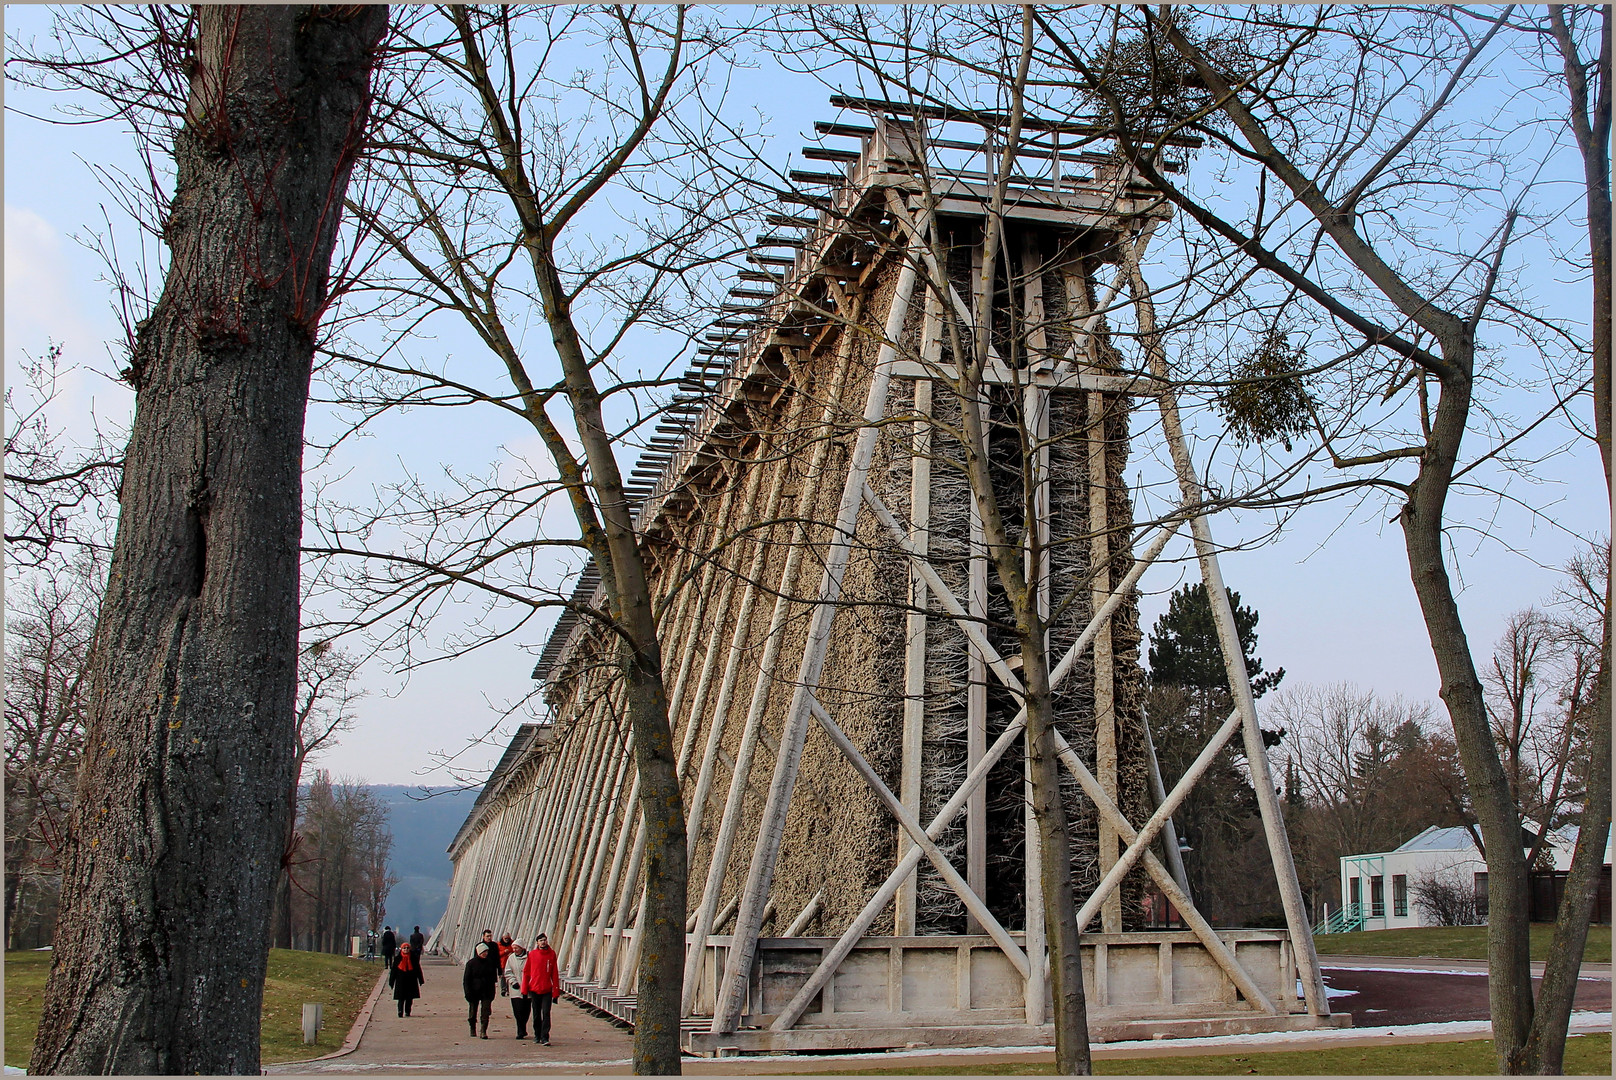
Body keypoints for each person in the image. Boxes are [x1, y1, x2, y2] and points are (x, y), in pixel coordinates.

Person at [521, 932, 561, 1046]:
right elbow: (526, 972)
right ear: (537, 943)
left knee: (546, 1013)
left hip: (547, 989)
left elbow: (554, 973)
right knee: (536, 1014)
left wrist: (555, 992)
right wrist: (524, 989)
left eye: (544, 940)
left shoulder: (551, 954)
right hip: (534, 988)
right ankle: (537, 1035)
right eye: (541, 940)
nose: (543, 942)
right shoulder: (532, 955)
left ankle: (545, 1037)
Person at [463, 940, 500, 1039]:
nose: (485, 954)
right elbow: (466, 980)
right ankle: (472, 1028)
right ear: (479, 952)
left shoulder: (490, 963)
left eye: (486, 952)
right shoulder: (471, 964)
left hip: (487, 990)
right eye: (484, 952)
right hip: (474, 990)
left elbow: (493, 979)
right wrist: (467, 992)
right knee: (472, 1011)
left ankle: (483, 1030)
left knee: (485, 1011)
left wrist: (493, 993)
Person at [503, 939, 530, 1039]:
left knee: (526, 1010)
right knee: (517, 1011)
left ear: (522, 948)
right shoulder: (511, 958)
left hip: (527, 988)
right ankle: (520, 1031)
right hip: (515, 989)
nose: (514, 949)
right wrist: (513, 982)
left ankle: (523, 1028)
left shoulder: (529, 958)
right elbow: (508, 971)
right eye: (513, 948)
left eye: (516, 948)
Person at [389, 940, 425, 1017]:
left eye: (407, 948)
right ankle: (400, 1011)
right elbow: (393, 971)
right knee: (401, 998)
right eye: (404, 948)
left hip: (411, 981)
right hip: (400, 981)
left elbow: (418, 969)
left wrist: (420, 979)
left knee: (409, 998)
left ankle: (407, 1011)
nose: (406, 949)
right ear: (401, 949)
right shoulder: (397, 959)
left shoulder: (413, 958)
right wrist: (391, 982)